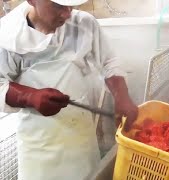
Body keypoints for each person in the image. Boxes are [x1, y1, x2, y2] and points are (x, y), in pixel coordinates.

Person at [0, 0, 138, 179]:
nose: (67, 14)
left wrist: (122, 96)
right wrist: (29, 96)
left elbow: (109, 61)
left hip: (82, 139)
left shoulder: (83, 23)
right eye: (58, 5)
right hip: (39, 148)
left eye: (71, 6)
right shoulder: (9, 35)